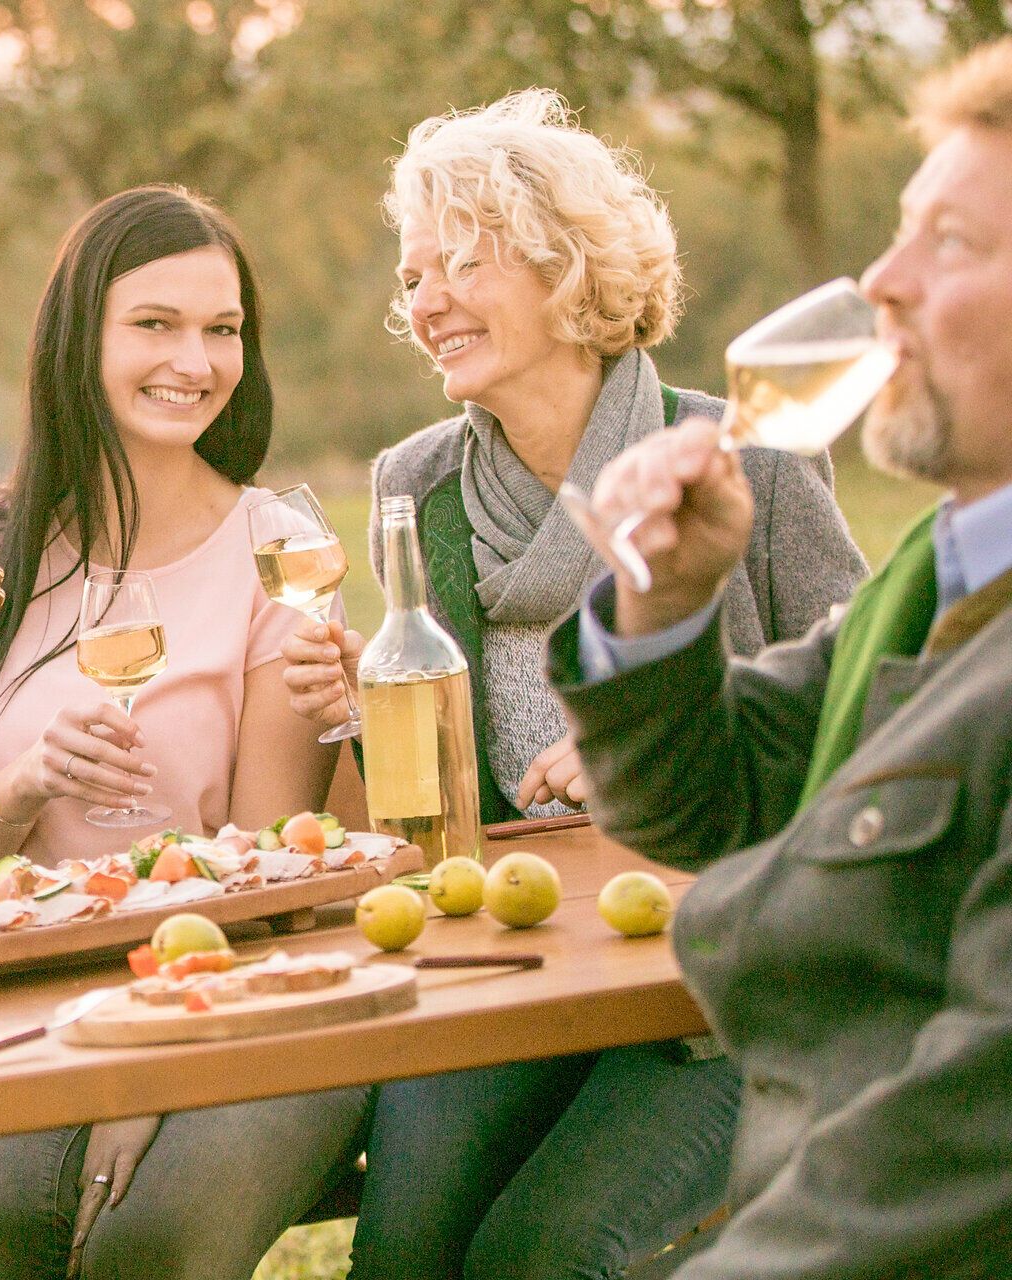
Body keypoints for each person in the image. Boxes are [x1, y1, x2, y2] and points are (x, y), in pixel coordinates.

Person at [280, 92, 868, 1278]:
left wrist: (658, 755)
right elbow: (429, 790)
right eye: (413, 275)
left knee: (543, 1254)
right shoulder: (418, 483)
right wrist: (364, 700)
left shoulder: (744, 460)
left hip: (715, 987)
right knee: (402, 1250)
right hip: (512, 968)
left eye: (462, 260)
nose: (425, 299)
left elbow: (866, 712)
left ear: (567, 262)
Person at [546, 42, 1012, 1278]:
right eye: (899, 232)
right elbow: (708, 798)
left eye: (953, 245)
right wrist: (669, 603)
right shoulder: (938, 579)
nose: (883, 281)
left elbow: (971, 1137)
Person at [0, 185, 364, 1280]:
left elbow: (267, 880)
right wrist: (17, 792)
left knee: (144, 1244)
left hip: (238, 992)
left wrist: (150, 1066)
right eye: (155, 324)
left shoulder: (279, 553)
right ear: (80, 341)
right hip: (21, 994)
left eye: (224, 327)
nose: (194, 360)